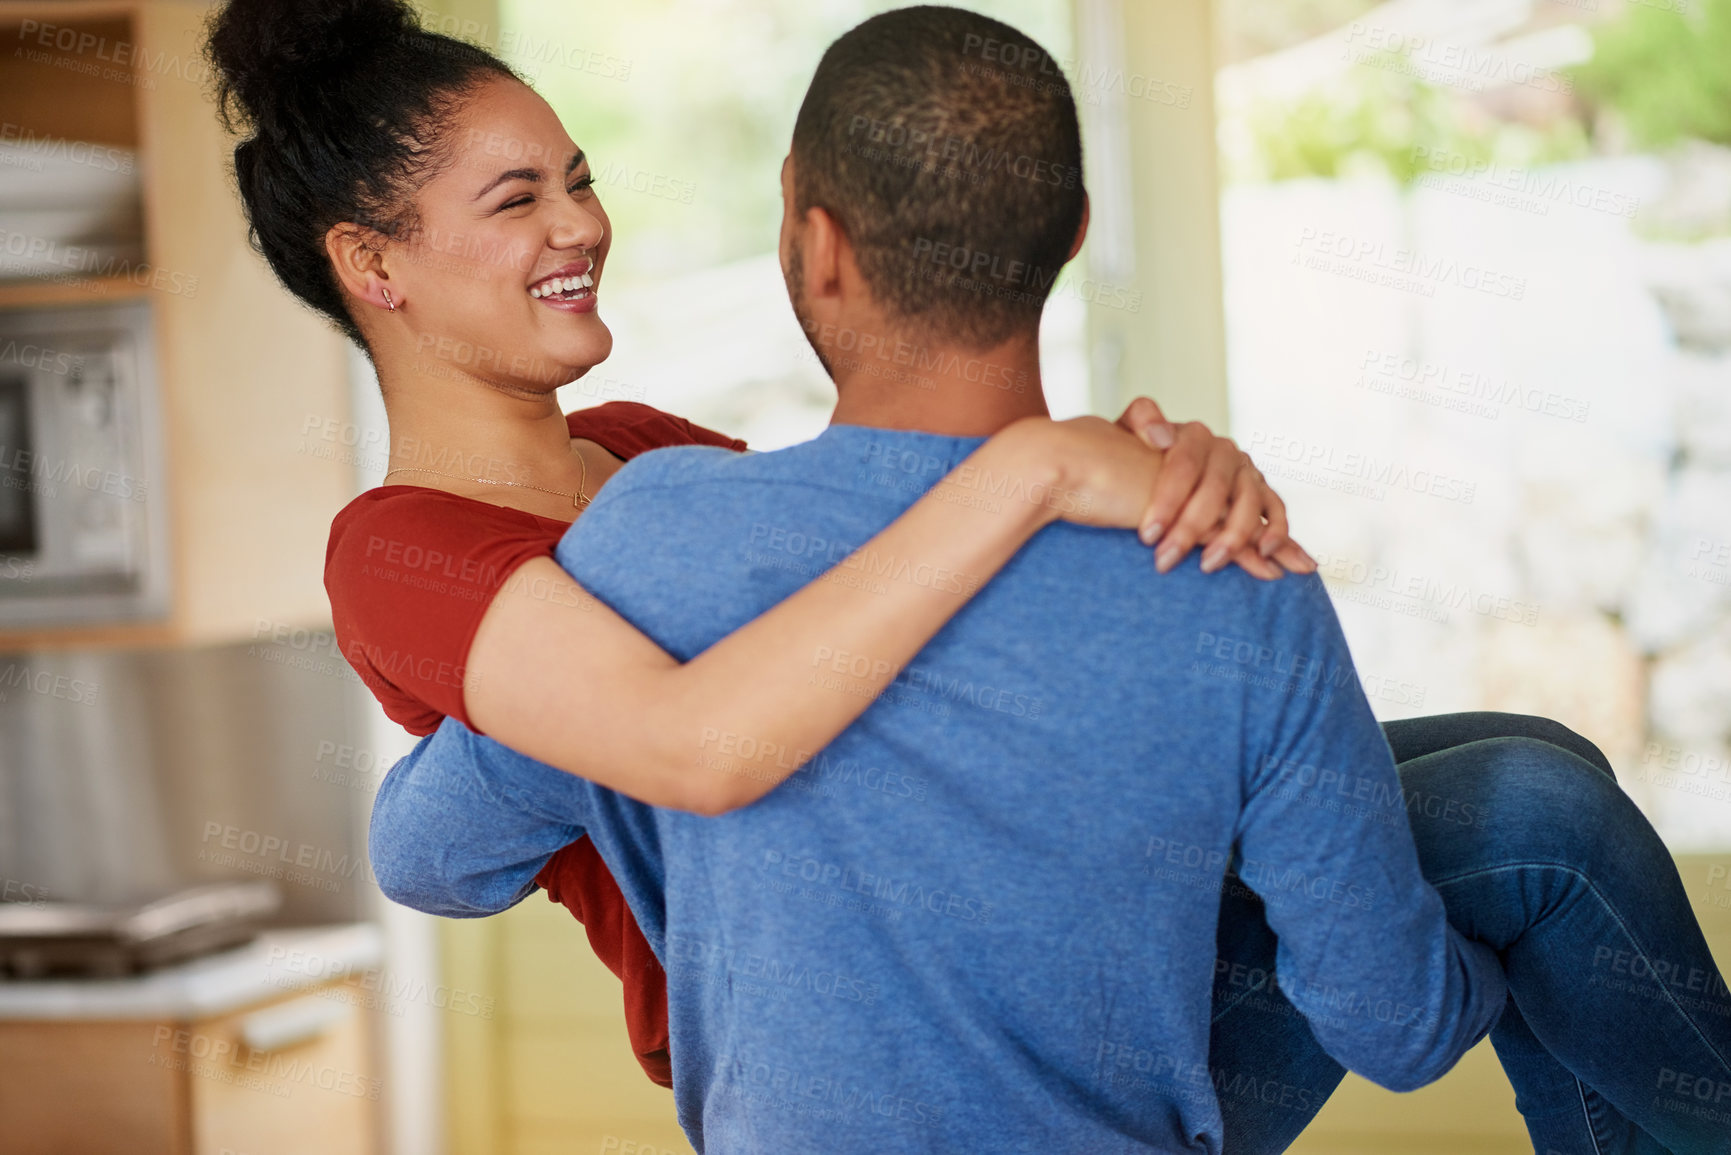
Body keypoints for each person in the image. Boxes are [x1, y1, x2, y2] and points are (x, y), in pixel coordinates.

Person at [365, 7, 1731, 1154]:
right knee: (1537, 809)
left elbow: (429, 856)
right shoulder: (1224, 564)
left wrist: (625, 675)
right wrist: (1473, 984)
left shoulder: (644, 535)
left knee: (1526, 768)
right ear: (1072, 231)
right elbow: (1392, 1028)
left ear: (813, 239)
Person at [202, 0, 1313, 1091]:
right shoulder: (397, 551)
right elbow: (698, 748)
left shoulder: (648, 449)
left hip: (983, 929)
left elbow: (902, 585)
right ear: (372, 263)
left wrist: (1158, 478)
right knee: (1490, 835)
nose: (581, 223)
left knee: (1480, 790)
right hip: (835, 1053)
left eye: (581, 180)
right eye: (517, 199)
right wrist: (1041, 468)